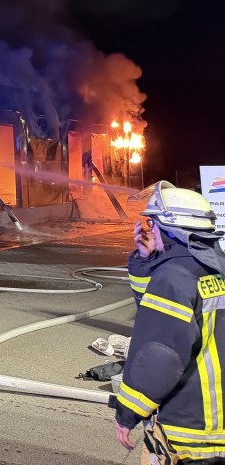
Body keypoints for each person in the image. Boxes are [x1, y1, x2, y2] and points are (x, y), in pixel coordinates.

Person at [113, 181, 225, 463]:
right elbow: (154, 305)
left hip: (196, 424)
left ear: (165, 226)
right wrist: (145, 259)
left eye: (151, 223)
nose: (148, 229)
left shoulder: (174, 277)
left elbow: (160, 354)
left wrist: (128, 413)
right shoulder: (215, 266)